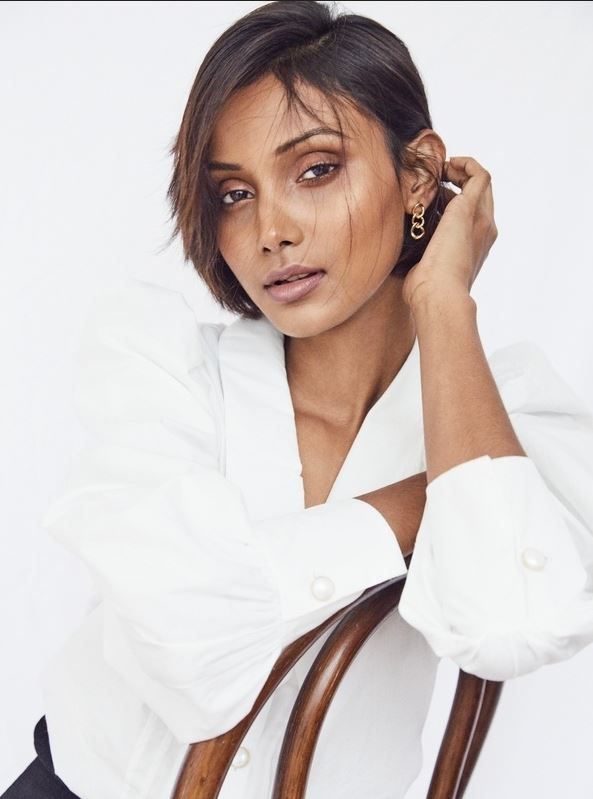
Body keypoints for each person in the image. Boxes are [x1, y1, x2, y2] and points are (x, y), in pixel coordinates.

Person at [4, 1, 593, 797]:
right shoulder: (160, 360)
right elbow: (185, 644)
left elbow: (513, 625)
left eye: (315, 169)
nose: (270, 231)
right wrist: (421, 502)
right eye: (233, 194)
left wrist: (444, 302)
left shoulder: (513, 412)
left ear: (418, 174)